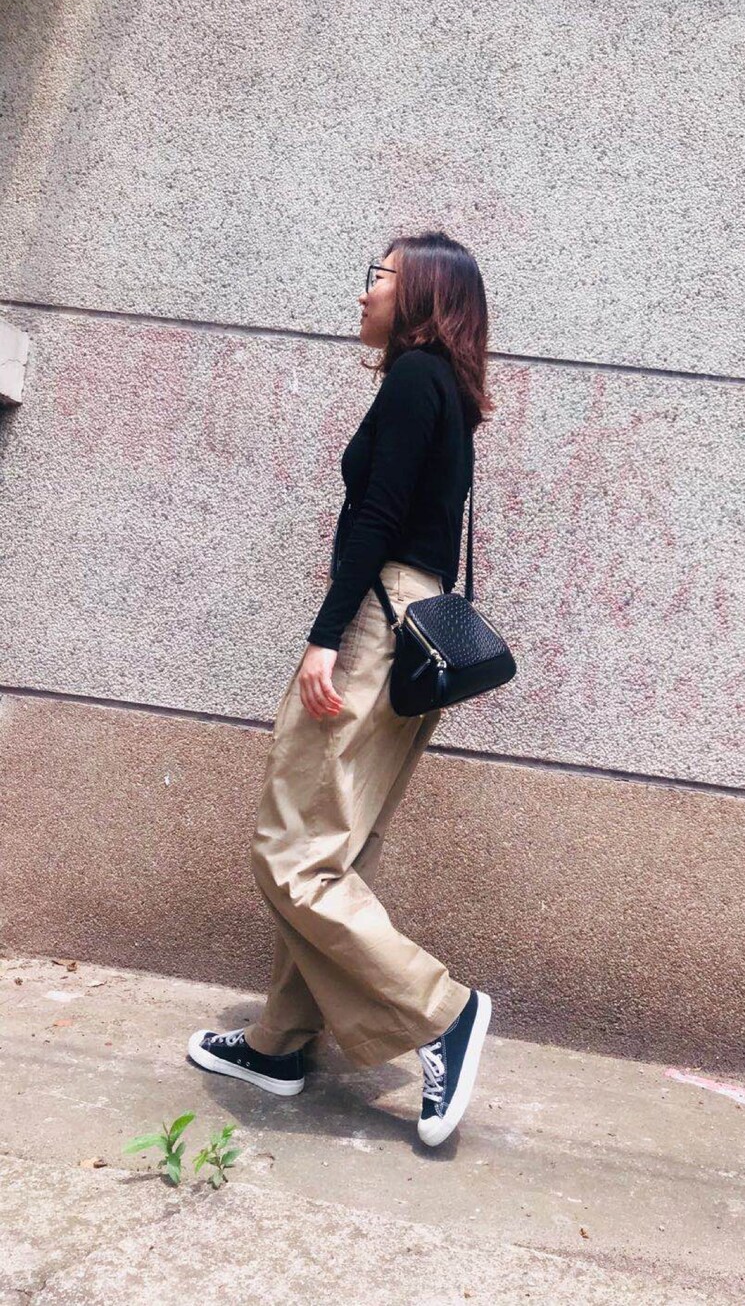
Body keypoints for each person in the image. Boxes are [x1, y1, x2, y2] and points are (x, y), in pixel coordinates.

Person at [186, 231, 494, 1148]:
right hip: (415, 621)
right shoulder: (447, 390)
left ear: (420, 291)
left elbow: (378, 517)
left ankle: (441, 1013)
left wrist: (324, 636)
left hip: (376, 621)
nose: (364, 292)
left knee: (292, 852)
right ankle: (278, 1045)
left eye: (378, 276)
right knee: (333, 850)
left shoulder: (413, 379)